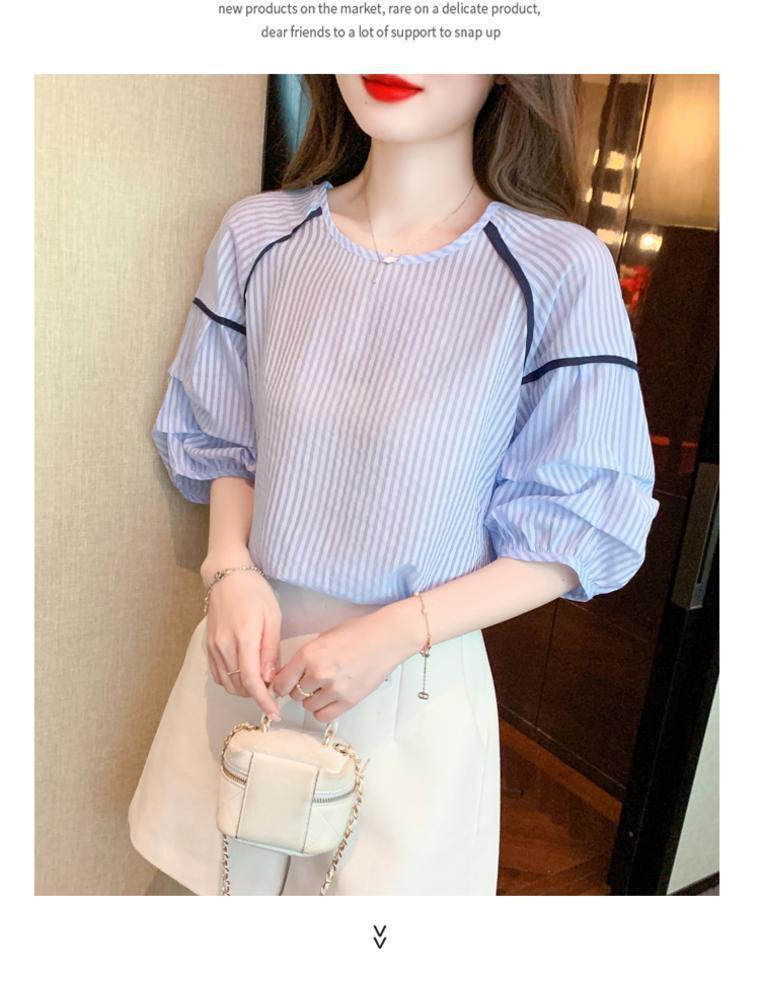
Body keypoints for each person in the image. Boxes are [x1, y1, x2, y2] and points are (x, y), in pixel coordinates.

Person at [127, 74, 660, 896]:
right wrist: (227, 568)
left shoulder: (559, 268)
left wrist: (394, 633)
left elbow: (584, 519)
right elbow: (227, 437)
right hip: (247, 661)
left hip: (414, 682)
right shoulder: (259, 234)